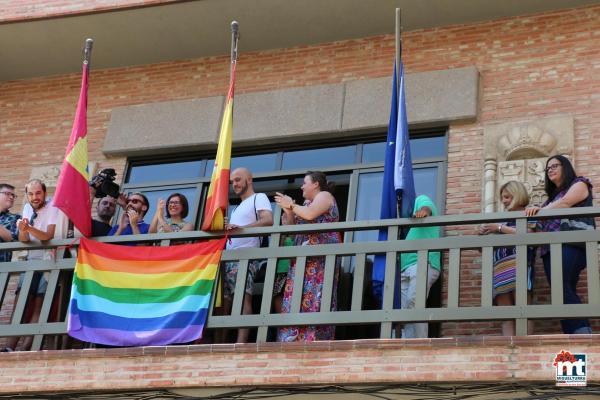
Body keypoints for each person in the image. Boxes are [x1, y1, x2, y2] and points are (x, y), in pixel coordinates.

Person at [525, 155, 594, 334]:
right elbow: (536, 229)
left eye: (555, 166)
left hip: (572, 244)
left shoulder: (579, 183)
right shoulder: (549, 202)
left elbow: (566, 202)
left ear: (566, 167)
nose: (551, 170)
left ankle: (582, 333)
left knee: (562, 287)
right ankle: (576, 334)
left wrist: (539, 211)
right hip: (549, 250)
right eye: (548, 169)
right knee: (561, 291)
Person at [274, 170, 341, 342]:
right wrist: (288, 211)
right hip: (302, 260)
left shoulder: (325, 196)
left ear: (316, 184)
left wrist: (292, 205)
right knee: (298, 295)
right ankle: (293, 336)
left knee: (315, 295)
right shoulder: (306, 203)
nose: (302, 186)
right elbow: (291, 231)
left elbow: (310, 215)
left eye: (305, 182)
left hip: (319, 258)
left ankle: (313, 337)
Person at [219, 168, 273, 343]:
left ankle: (241, 343)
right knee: (224, 303)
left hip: (246, 257)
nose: (234, 184)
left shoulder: (259, 197)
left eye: (238, 180)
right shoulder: (236, 208)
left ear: (249, 180)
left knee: (243, 297)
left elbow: (268, 220)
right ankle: (219, 343)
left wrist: (242, 229)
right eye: (232, 181)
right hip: (228, 257)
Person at [7, 180, 60, 351]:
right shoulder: (27, 208)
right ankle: (9, 346)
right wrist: (23, 230)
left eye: (38, 193)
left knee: (39, 303)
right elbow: (24, 240)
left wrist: (28, 229)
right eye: (30, 194)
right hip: (30, 260)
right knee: (21, 302)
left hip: (47, 260)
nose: (34, 197)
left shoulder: (53, 206)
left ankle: (25, 348)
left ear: (44, 193)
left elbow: (48, 236)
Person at [479, 181, 536, 336]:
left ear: (517, 195)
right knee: (506, 316)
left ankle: (526, 349)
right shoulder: (502, 219)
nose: (503, 201)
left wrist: (498, 228)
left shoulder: (528, 213)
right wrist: (484, 234)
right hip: (500, 269)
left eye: (507, 197)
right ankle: (509, 353)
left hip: (520, 266)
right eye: (502, 198)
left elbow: (531, 235)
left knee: (524, 312)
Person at [397, 194, 441, 339]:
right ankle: (409, 344)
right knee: (406, 311)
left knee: (414, 302)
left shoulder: (419, 199)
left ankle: (421, 343)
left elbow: (427, 207)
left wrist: (424, 211)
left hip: (422, 263)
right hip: (406, 267)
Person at [0, 184, 20, 264]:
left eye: (13, 195)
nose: (11, 197)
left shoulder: (15, 218)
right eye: (7, 194)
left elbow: (13, 240)